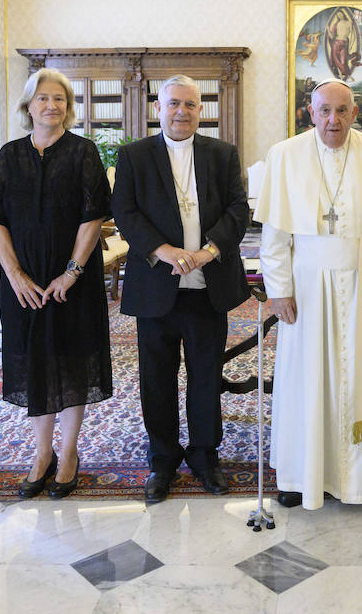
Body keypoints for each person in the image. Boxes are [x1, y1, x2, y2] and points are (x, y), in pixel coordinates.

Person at [256, 79, 362, 509]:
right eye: (325, 110)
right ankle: (298, 475)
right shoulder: (285, 155)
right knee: (306, 380)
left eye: (343, 111)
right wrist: (279, 290)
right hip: (308, 291)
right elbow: (275, 237)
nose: (334, 120)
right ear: (309, 112)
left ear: (356, 112)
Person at [111, 76, 250, 503]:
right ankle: (163, 459)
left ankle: (206, 456)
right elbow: (126, 212)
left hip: (208, 287)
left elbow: (237, 209)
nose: (182, 112)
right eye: (174, 103)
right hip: (157, 287)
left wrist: (208, 251)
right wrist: (165, 250)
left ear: (200, 110)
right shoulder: (134, 156)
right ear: (159, 108)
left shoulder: (221, 154)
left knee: (206, 376)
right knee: (157, 377)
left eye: (190, 104)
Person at [0, 68, 113, 499]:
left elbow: (92, 220)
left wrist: (71, 273)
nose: (50, 105)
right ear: (28, 106)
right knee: (34, 362)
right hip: (25, 282)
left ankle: (69, 453)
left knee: (73, 360)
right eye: (42, 98)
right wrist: (14, 275)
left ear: (68, 107)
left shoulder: (83, 152)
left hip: (73, 279)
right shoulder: (9, 155)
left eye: (59, 98)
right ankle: (42, 453)